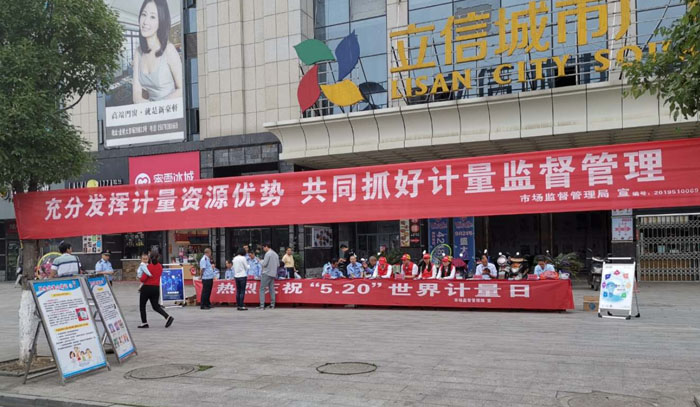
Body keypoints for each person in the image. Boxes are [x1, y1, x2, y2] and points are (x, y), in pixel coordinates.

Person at [132, 0, 183, 103]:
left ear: (161, 21)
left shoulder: (169, 50)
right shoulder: (138, 52)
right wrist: (148, 106)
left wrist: (159, 106)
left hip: (170, 107)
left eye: (152, 17)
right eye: (144, 14)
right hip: (150, 109)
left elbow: (182, 89)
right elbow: (136, 93)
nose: (145, 22)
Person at [138, 253, 174, 328]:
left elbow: (143, 279)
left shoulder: (148, 267)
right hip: (156, 288)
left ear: (150, 258)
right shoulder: (160, 267)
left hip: (147, 288)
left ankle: (144, 323)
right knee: (155, 306)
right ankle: (168, 317)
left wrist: (140, 277)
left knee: (142, 306)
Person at [259, 243, 279, 309]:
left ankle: (262, 305)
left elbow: (264, 264)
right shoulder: (275, 254)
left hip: (266, 273)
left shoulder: (268, 254)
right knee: (271, 289)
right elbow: (278, 265)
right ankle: (272, 304)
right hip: (273, 273)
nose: (263, 249)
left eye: (263, 247)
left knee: (262, 289)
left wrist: (260, 261)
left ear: (266, 247)